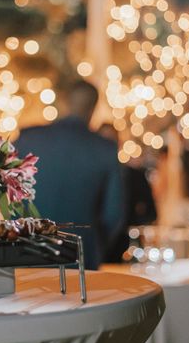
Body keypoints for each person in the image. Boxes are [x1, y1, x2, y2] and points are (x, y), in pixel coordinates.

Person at [15, 81, 125, 269]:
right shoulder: (104, 149)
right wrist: (96, 247)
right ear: (93, 108)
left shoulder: (27, 140)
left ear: (64, 102)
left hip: (27, 253)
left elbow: (8, 197)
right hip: (81, 257)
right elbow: (113, 214)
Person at [98, 124, 156, 262]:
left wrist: (133, 228)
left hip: (128, 250)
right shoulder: (89, 177)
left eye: (110, 140)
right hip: (99, 251)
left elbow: (151, 212)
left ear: (118, 143)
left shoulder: (135, 175)